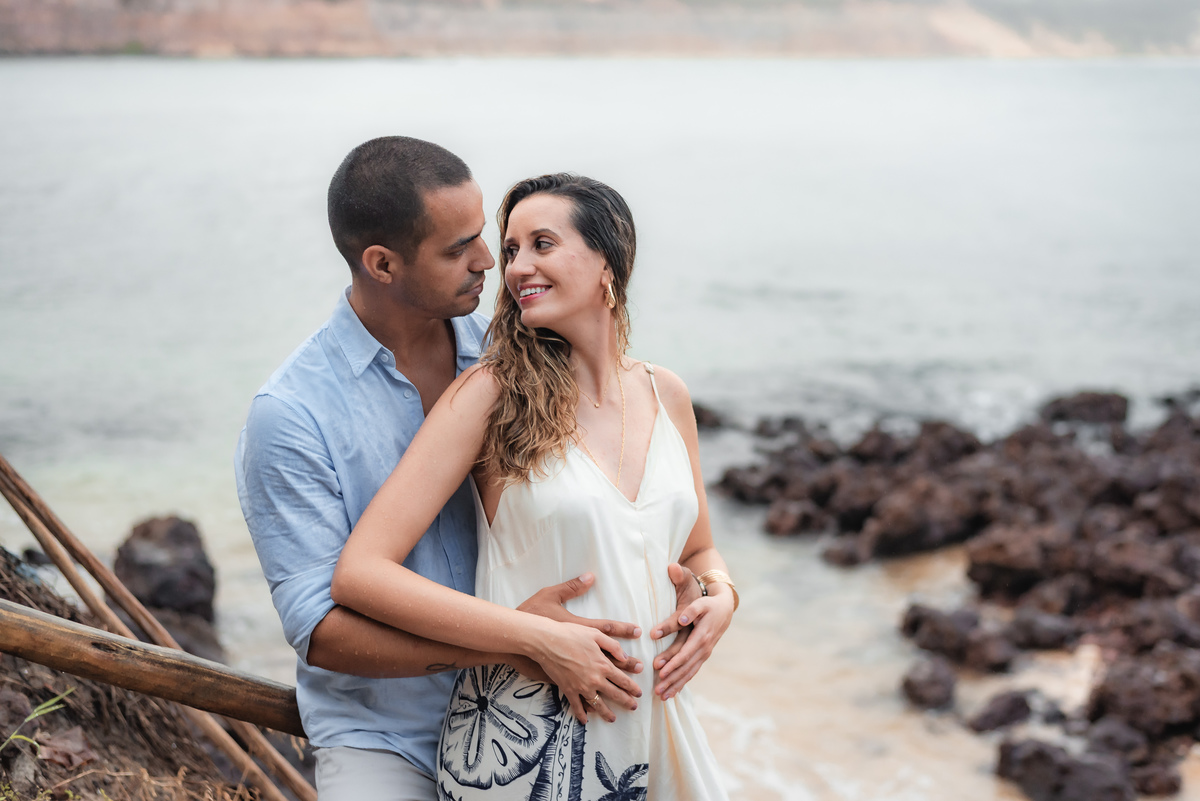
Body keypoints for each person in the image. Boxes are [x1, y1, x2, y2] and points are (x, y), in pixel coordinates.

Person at [235, 138, 715, 801]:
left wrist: (718, 594)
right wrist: (521, 642)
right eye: (462, 247)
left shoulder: (519, 357)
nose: (494, 262)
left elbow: (686, 544)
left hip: (574, 704)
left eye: (507, 242)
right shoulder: (293, 414)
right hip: (388, 727)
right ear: (382, 263)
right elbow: (324, 628)